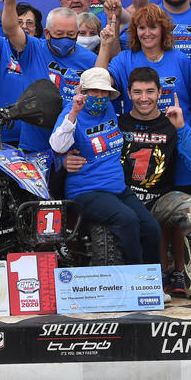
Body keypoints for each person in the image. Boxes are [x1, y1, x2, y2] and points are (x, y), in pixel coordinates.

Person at [116, 67, 191, 303]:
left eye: (150, 91)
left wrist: (181, 128)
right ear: (128, 93)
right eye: (138, 92)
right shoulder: (118, 123)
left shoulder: (172, 124)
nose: (144, 98)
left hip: (161, 199)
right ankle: (145, 285)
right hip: (124, 200)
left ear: (160, 92)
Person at [49, 67, 161, 264]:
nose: (100, 97)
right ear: (82, 91)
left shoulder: (108, 107)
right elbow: (57, 145)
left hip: (117, 188)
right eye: (94, 91)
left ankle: (154, 281)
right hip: (86, 190)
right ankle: (137, 277)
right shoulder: (71, 111)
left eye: (104, 92)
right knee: (127, 219)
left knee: (151, 227)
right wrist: (75, 112)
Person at [0, 0, 99, 153]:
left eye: (71, 35)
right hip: (34, 147)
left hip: (73, 149)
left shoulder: (90, 59)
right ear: (47, 33)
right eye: (59, 34)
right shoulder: (33, 48)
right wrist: (10, 1)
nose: (65, 39)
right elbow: (11, 29)